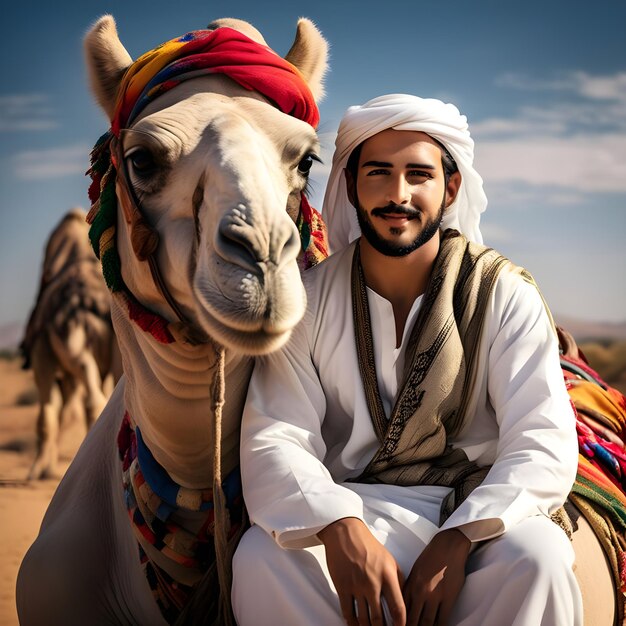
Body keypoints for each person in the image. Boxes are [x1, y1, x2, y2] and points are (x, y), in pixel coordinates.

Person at [231, 94, 583, 626]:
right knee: (261, 560)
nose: (398, 194)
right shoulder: (309, 302)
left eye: (419, 174)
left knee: (540, 559)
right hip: (352, 509)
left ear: (451, 187)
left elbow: (540, 442)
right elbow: (276, 435)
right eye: (378, 173)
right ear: (351, 185)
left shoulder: (504, 294)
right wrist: (338, 527)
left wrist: (460, 537)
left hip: (477, 511)